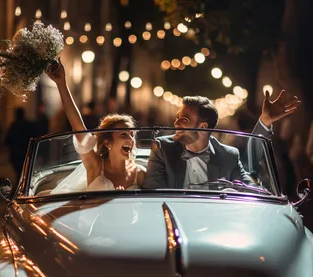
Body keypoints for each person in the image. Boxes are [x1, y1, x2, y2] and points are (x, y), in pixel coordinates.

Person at [143, 90, 301, 189]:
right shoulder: (162, 148)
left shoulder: (229, 155)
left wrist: (265, 121)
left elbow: (251, 189)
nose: (176, 123)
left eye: (184, 119)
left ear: (203, 127)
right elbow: (152, 191)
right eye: (177, 117)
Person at [45, 58, 146, 193]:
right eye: (123, 134)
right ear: (107, 143)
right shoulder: (96, 166)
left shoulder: (139, 173)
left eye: (131, 135)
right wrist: (61, 83)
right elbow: (78, 128)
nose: (130, 139)